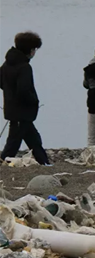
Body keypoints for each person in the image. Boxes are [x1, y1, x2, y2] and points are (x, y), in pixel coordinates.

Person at [0, 32, 50, 165]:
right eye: (34, 49)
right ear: (30, 50)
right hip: (22, 111)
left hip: (12, 109)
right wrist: (33, 101)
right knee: (13, 142)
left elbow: (1, 82)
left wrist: (10, 93)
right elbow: (23, 89)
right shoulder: (24, 67)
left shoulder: (7, 64)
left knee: (33, 139)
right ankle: (3, 161)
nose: (35, 52)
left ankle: (44, 162)